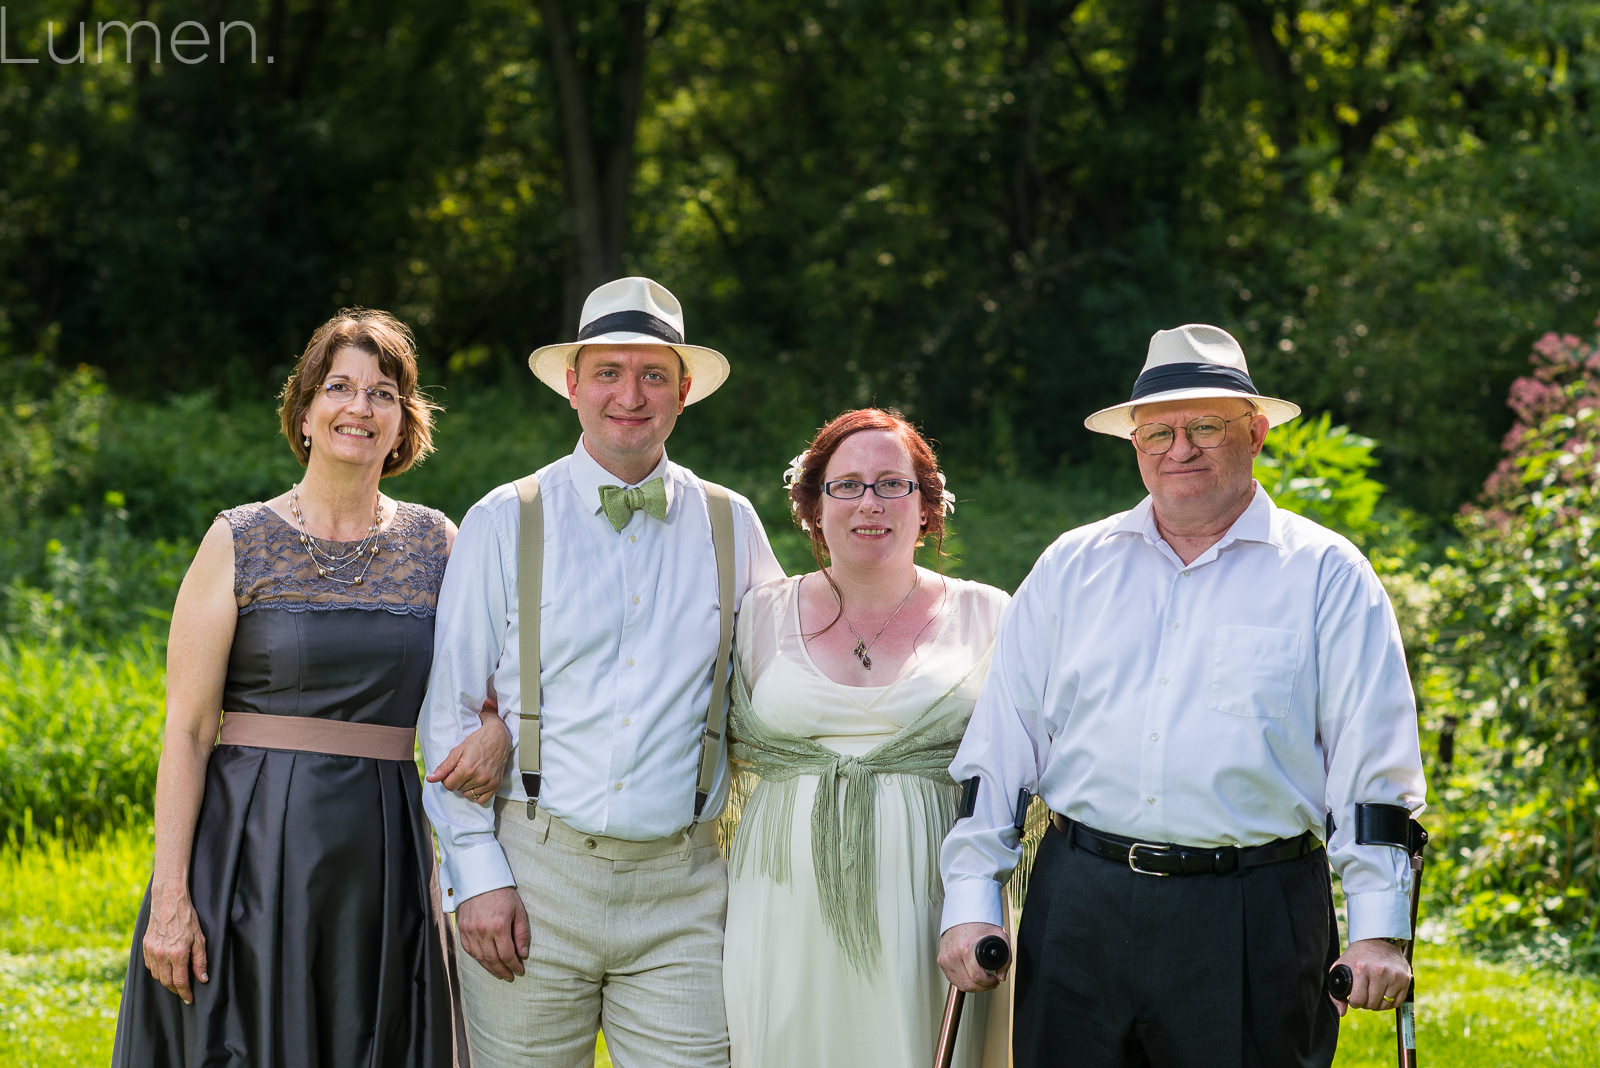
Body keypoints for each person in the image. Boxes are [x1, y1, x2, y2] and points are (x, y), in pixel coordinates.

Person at [937, 324, 1427, 1068]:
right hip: (1079, 908)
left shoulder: (1328, 574)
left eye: (1205, 426)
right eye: (1156, 432)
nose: (1180, 449)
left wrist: (1378, 929)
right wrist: (972, 902)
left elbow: (1374, 767)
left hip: (1251, 915)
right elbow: (999, 753)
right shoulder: (1072, 566)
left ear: (1256, 433)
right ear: (1134, 445)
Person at [112, 308, 500, 1067]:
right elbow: (187, 733)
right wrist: (170, 899)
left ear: (404, 423)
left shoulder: (440, 543)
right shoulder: (238, 538)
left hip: (382, 851)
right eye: (339, 387)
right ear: (305, 411)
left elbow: (494, 689)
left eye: (383, 393)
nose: (359, 407)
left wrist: (500, 729)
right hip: (246, 851)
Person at [419, 276, 783, 1068]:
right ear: (573, 386)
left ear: (683, 394)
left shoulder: (731, 521)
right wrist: (476, 873)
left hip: (685, 887)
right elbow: (448, 711)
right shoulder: (505, 517)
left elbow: (781, 684)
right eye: (610, 373)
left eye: (654, 375)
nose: (631, 394)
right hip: (531, 872)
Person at [722, 408, 1011, 1068]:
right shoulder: (758, 614)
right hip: (782, 900)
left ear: (929, 506)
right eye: (846, 485)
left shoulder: (990, 615)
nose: (868, 504)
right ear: (813, 506)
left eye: (892, 484)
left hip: (932, 904)